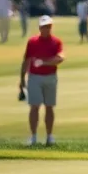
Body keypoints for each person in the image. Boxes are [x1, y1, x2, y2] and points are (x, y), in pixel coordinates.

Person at [19, 15, 65, 146]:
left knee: (49, 107)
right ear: (40, 27)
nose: (47, 29)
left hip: (51, 77)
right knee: (34, 107)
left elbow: (60, 58)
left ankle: (49, 137)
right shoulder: (32, 42)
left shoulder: (56, 42)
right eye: (45, 26)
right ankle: (33, 137)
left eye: (49, 26)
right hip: (34, 77)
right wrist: (22, 79)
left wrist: (44, 62)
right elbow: (26, 61)